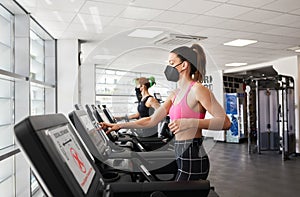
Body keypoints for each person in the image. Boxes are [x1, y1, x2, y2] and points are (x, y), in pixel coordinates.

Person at [101, 43, 231, 181]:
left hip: (193, 152)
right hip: (179, 148)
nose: (168, 67)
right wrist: (119, 126)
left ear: (184, 65)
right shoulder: (175, 94)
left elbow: (225, 122)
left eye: (171, 63)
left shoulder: (198, 89)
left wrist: (190, 123)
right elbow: (152, 120)